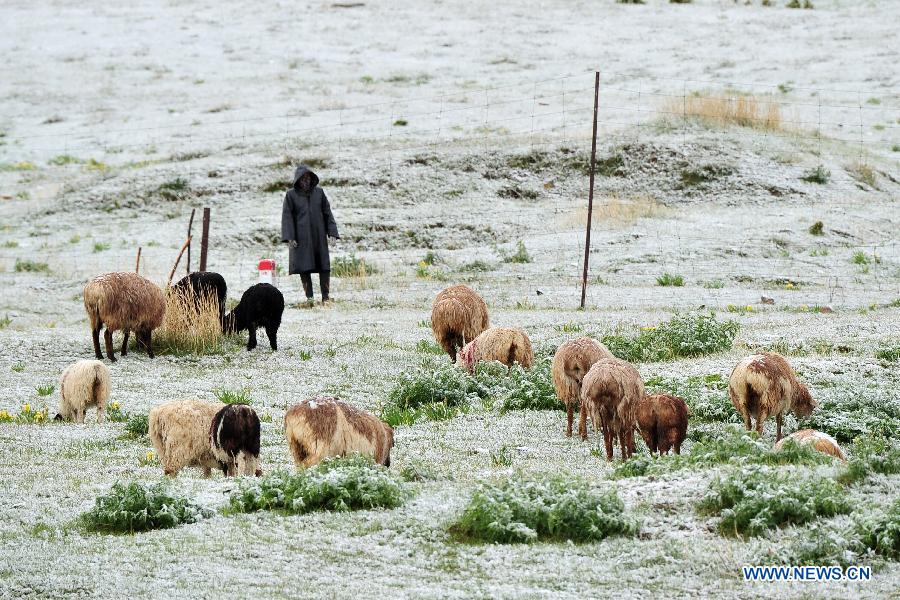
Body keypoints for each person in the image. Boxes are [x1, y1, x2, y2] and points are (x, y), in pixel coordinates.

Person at [280, 165, 339, 303]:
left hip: (319, 237)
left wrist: (332, 233)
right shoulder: (291, 195)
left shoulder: (319, 193)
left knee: (324, 267)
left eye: (308, 177)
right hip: (300, 239)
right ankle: (310, 298)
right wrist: (290, 237)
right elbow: (287, 217)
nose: (306, 181)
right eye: (303, 178)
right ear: (298, 179)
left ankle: (325, 297)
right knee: (303, 268)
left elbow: (327, 213)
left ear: (312, 178)